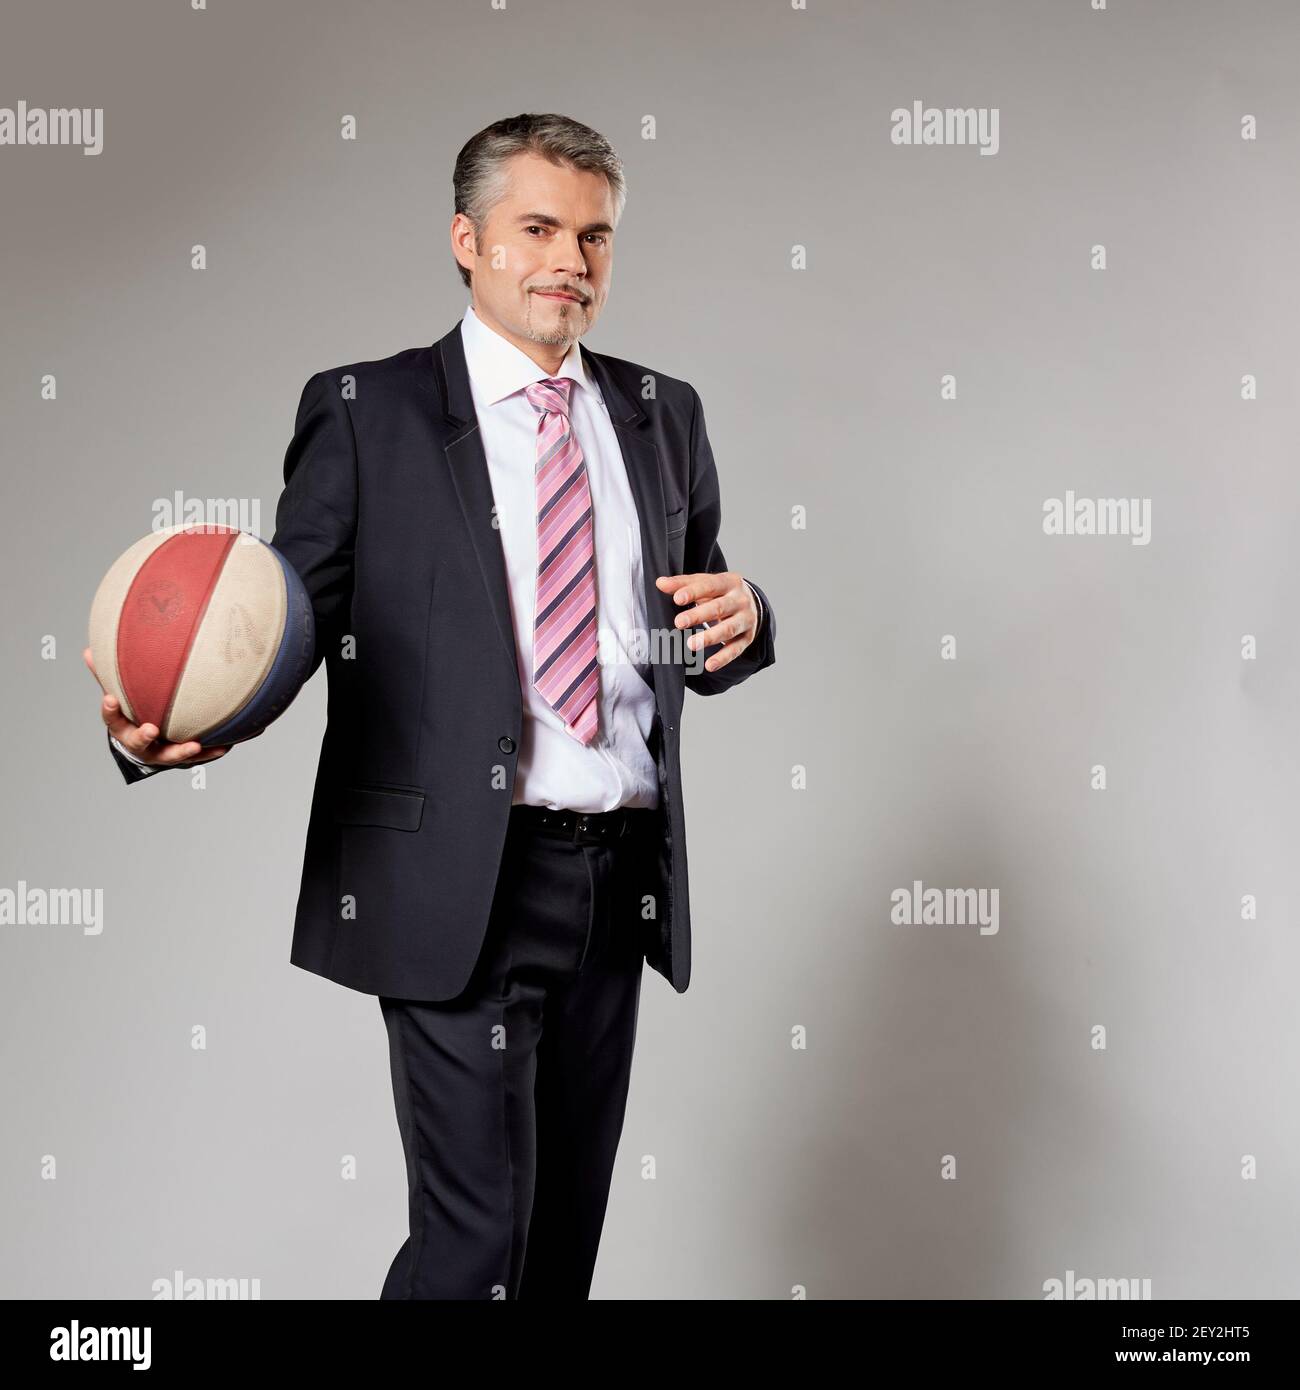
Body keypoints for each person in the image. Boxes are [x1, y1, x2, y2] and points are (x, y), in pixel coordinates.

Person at [86, 112, 777, 1299]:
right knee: (477, 1247)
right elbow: (280, 621)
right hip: (462, 877)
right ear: (467, 239)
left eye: (597, 236)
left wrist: (747, 615)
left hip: (617, 878)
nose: (573, 258)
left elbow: (679, 621)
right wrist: (179, 729)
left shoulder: (667, 414)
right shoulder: (368, 411)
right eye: (539, 227)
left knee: (559, 1245)